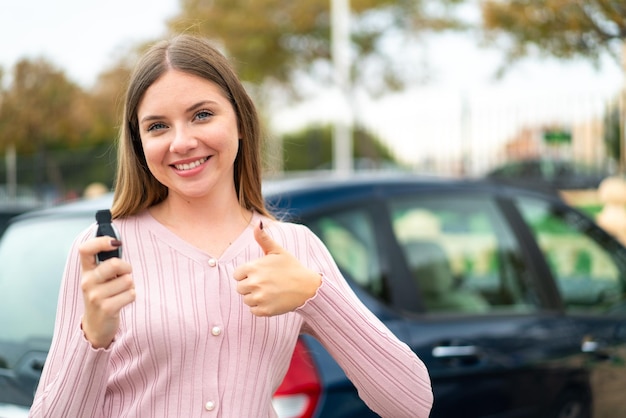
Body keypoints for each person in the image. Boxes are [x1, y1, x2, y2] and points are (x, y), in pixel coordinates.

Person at [29, 34, 433, 418]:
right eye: (157, 126)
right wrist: (93, 338)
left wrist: (317, 296)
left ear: (240, 120)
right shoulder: (104, 250)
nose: (181, 142)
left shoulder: (295, 247)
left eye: (201, 115)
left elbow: (412, 405)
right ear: (138, 143)